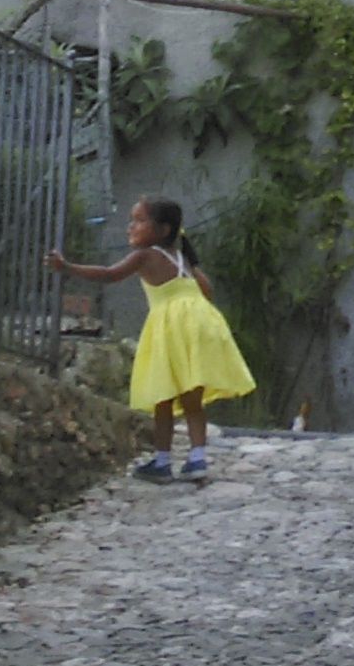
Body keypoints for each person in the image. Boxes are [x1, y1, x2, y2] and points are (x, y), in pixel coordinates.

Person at [48, 197, 255, 480]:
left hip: (169, 327)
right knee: (192, 397)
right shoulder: (182, 259)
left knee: (163, 396)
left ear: (163, 229)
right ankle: (197, 459)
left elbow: (109, 274)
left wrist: (67, 267)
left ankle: (162, 461)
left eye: (139, 220)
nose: (130, 226)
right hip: (201, 323)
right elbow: (206, 289)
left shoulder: (145, 256)